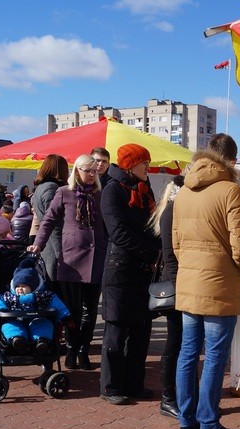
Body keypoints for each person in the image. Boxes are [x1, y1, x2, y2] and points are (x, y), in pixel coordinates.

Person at [172, 133, 240, 429]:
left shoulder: (183, 191)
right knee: (216, 354)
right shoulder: (231, 190)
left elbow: (176, 241)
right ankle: (208, 425)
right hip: (220, 279)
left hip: (190, 278)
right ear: (231, 159)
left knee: (188, 352)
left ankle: (186, 421)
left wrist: (192, 264)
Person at [29, 154, 108, 371]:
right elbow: (48, 221)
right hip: (71, 258)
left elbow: (109, 224)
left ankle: (84, 351)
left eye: (95, 171)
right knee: (72, 310)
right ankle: (72, 350)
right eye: (87, 171)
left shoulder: (101, 194)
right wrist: (38, 244)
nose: (92, 175)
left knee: (90, 309)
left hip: (97, 257)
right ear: (77, 171)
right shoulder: (64, 192)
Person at [99, 144, 161, 405]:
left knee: (141, 329)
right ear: (129, 165)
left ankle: (135, 383)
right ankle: (111, 387)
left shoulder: (145, 190)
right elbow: (118, 233)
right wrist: (151, 254)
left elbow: (154, 226)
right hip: (120, 269)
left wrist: (158, 249)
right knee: (116, 328)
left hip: (143, 271)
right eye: (144, 162)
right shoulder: (112, 190)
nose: (148, 167)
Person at [147, 174, 185, 418]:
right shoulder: (172, 211)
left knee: (180, 342)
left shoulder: (170, 209)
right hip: (176, 282)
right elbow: (173, 253)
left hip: (178, 279)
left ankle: (176, 395)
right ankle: (169, 398)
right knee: (175, 343)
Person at [0, 259, 72, 355]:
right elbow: (0, 300)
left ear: (34, 286)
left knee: (44, 325)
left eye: (24, 286)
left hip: (37, 319)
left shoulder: (44, 296)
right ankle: (17, 340)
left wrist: (66, 317)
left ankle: (41, 342)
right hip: (16, 320)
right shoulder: (10, 296)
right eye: (17, 286)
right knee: (9, 326)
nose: (20, 289)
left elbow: (57, 304)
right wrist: (1, 309)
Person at [30, 154, 69, 289]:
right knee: (57, 290)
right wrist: (61, 252)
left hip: (48, 244)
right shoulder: (51, 188)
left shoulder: (41, 187)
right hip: (53, 246)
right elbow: (54, 222)